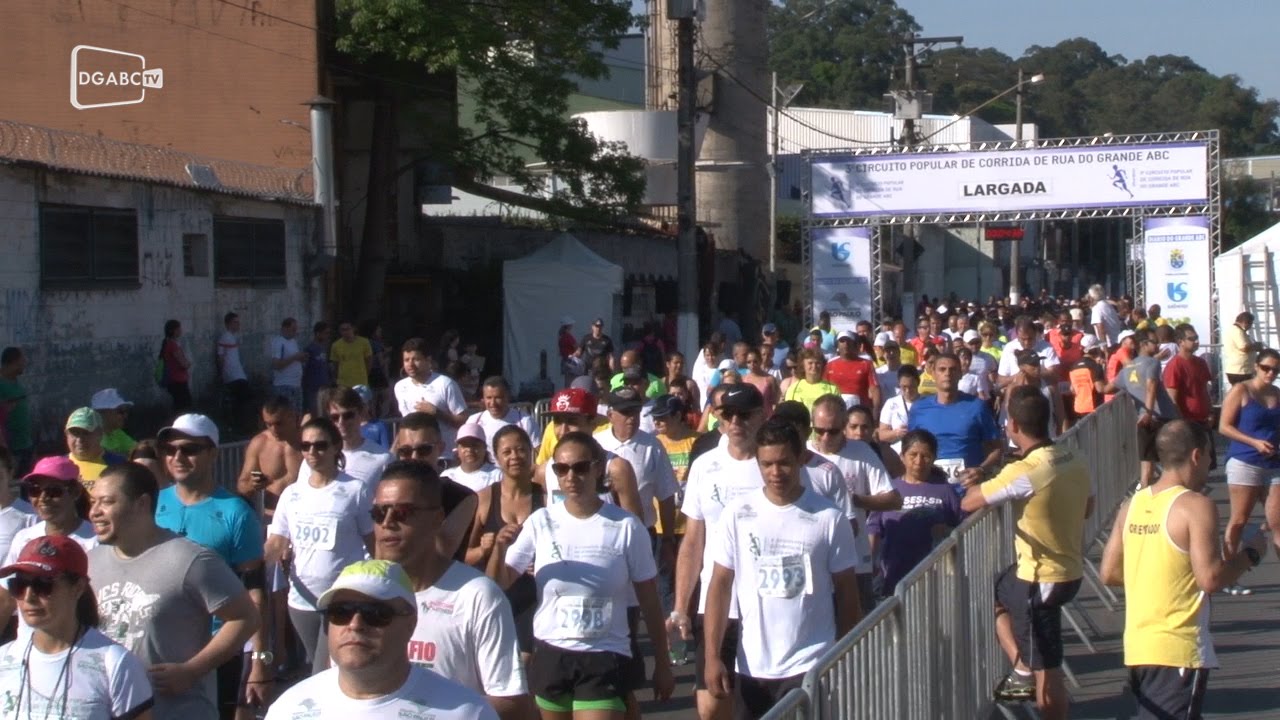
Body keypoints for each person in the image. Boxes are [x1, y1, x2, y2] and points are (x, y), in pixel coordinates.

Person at [492, 432, 675, 719]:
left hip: (603, 654)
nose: (571, 476)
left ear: (598, 468)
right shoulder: (541, 522)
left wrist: (662, 664)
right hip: (552, 652)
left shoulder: (626, 526)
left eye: (580, 467)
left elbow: (650, 601)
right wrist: (498, 548)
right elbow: (501, 582)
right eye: (561, 469)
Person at [1100, 420, 1272, 719]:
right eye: (1209, 455)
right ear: (1196, 455)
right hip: (1178, 646)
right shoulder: (1195, 505)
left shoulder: (1132, 504)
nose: (1210, 463)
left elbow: (1109, 572)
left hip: (1140, 645)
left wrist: (1157, 576)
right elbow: (1210, 578)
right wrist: (1252, 553)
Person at [701, 421, 861, 719]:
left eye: (784, 463)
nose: (776, 473)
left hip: (810, 663)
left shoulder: (829, 518)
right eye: (767, 464)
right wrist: (711, 656)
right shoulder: (737, 513)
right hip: (753, 666)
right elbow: (720, 585)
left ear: (801, 458)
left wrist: (842, 656)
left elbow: (848, 594)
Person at [89, 462, 263, 719]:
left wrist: (192, 670)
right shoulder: (91, 562)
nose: (94, 512)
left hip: (178, 711)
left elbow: (246, 617)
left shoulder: (190, 559)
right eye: (92, 502)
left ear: (141, 504)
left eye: (106, 502)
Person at [961, 387, 1092, 719]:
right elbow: (1088, 507)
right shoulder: (1072, 455)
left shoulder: (1025, 472)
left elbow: (969, 502)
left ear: (1013, 424)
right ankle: (1020, 665)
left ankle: (1026, 673)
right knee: (997, 589)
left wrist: (988, 477)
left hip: (1041, 579)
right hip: (1068, 569)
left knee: (1047, 670)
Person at [373, 460, 533, 720]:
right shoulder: (361, 593)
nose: (388, 522)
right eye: (379, 513)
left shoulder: (478, 595)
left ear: (437, 518)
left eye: (402, 512)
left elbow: (513, 704)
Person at [266, 559, 499, 720]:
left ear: (410, 624)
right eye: (341, 612)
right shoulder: (289, 709)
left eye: (375, 613)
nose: (355, 624)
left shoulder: (467, 712)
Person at [153, 414, 269, 719]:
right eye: (170, 449)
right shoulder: (151, 504)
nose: (177, 456)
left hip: (217, 648)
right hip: (162, 640)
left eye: (189, 448)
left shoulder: (236, 513)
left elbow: (254, 590)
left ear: (212, 453)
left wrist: (258, 660)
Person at [0, 535, 154, 720]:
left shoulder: (114, 663)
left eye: (43, 585)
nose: (28, 597)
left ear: (78, 588)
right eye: (19, 585)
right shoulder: (4, 659)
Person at [266, 417, 375, 676]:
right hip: (301, 600)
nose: (312, 452)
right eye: (305, 446)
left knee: (322, 671)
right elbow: (276, 543)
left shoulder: (354, 490)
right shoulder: (292, 494)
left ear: (336, 447)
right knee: (317, 670)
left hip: (341, 598)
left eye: (320, 445)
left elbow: (374, 544)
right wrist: (245, 567)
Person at [808, 395, 901, 612]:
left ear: (843, 426)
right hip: (815, 560)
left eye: (832, 431)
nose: (824, 437)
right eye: (818, 430)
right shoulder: (803, 453)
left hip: (855, 559)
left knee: (859, 630)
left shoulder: (861, 452)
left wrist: (854, 500)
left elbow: (893, 499)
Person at [0, 457, 97, 633]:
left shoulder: (95, 540)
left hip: (77, 646)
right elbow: (5, 599)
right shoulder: (23, 537)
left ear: (75, 492)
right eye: (35, 491)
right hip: (27, 649)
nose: (43, 498)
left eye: (54, 492)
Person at [866, 430, 961, 597]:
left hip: (935, 576)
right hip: (894, 575)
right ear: (902, 456)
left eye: (925, 456)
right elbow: (873, 530)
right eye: (913, 455)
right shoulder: (889, 490)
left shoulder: (946, 491)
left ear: (934, 457)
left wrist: (946, 531)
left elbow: (961, 527)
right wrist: (869, 564)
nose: (919, 461)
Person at [1218, 348, 1280, 594]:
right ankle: (1228, 575)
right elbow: (1224, 426)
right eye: (1266, 368)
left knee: (1277, 521)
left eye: (1275, 370)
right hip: (1245, 460)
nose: (1270, 373)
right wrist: (1254, 442)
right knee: (1239, 520)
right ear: (1256, 366)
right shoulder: (1242, 391)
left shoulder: (1277, 394)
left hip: (1274, 463)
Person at [908, 354, 1002, 487]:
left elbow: (996, 448)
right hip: (930, 489)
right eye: (942, 369)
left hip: (967, 490)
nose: (948, 374)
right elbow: (909, 451)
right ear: (933, 373)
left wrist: (981, 470)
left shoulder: (977, 406)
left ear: (961, 374)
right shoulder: (918, 408)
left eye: (953, 370)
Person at [1106, 331, 1180, 488]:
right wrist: (1149, 411)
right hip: (1162, 415)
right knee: (1170, 458)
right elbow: (1151, 385)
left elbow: (1108, 389)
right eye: (1154, 342)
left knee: (1147, 459)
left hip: (1143, 418)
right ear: (1143, 344)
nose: (1158, 345)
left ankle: (1145, 492)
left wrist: (1097, 380)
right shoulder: (1152, 363)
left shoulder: (1126, 369)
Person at [395, 338, 469, 455]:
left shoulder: (445, 384)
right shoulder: (400, 387)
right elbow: (405, 424)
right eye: (406, 360)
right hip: (414, 456)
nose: (410, 364)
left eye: (416, 359)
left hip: (444, 455)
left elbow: (464, 420)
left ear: (428, 360)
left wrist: (436, 413)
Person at [308, 388, 394, 486]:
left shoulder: (384, 458)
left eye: (348, 415)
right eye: (335, 417)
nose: (341, 422)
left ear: (361, 414)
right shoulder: (315, 456)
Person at [236, 396, 303, 522]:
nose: (274, 430)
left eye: (279, 423)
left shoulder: (310, 443)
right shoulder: (260, 443)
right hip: (270, 516)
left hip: (304, 515)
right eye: (268, 424)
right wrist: (254, 484)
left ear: (293, 417)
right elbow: (242, 485)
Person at [1163, 324, 1214, 461]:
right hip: (1187, 423)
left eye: (1196, 337)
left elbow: (1205, 389)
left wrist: (1210, 412)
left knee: (1207, 462)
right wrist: (1182, 423)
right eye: (1192, 339)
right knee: (1191, 464)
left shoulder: (1201, 363)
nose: (1196, 341)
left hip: (1203, 421)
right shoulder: (1174, 365)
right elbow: (1172, 399)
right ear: (1180, 342)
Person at [465, 376, 540, 456]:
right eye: (489, 398)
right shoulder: (474, 421)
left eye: (498, 398)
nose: (493, 403)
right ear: (483, 398)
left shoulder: (524, 421)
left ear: (507, 397)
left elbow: (540, 452)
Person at [64, 408, 126, 490]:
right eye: (75, 433)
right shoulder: (57, 466)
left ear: (100, 434)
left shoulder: (119, 465)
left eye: (86, 433)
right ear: (66, 434)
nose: (79, 439)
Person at [825, 331, 881, 412]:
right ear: (837, 345)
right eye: (842, 341)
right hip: (836, 412)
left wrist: (876, 411)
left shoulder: (866, 364)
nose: (845, 344)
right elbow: (823, 388)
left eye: (848, 341)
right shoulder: (830, 365)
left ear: (854, 344)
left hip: (860, 411)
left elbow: (875, 389)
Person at [844, 405, 905, 478]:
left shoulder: (885, 454)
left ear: (872, 429)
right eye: (853, 427)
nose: (859, 432)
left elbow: (900, 483)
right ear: (844, 429)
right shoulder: (836, 454)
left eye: (865, 427)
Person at [217, 312, 252, 435]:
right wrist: (222, 374)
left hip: (238, 374)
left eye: (238, 322)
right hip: (232, 376)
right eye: (235, 322)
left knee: (242, 401)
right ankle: (238, 427)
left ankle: (240, 426)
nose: (238, 325)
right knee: (240, 402)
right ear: (228, 323)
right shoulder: (225, 337)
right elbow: (220, 356)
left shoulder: (232, 337)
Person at [443, 424, 501, 493]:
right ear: (457, 449)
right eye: (464, 445)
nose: (469, 449)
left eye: (475, 445)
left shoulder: (498, 476)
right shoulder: (447, 476)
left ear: (484, 447)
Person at [269, 317, 308, 412]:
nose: (295, 332)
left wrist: (301, 358)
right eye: (293, 329)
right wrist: (295, 357)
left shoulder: (293, 342)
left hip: (296, 385)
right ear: (285, 329)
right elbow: (276, 364)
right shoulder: (278, 342)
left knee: (297, 415)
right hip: (284, 385)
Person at [878, 365, 920, 454]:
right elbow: (881, 435)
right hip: (898, 453)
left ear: (918, 383)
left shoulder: (926, 402)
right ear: (898, 384)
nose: (908, 391)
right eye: (904, 387)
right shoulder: (891, 403)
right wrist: (896, 433)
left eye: (911, 386)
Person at [1067, 336, 1107, 419]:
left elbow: (1072, 389)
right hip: (1094, 408)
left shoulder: (1073, 366)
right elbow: (1100, 389)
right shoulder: (1095, 366)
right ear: (1095, 350)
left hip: (1079, 408)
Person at [159, 321, 194, 413]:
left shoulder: (168, 343)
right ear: (172, 331)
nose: (180, 331)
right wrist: (189, 363)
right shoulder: (172, 345)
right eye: (178, 329)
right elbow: (183, 363)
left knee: (179, 406)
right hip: (178, 381)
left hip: (174, 380)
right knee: (184, 407)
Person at [91, 389, 137, 457]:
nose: (125, 415)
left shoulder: (117, 433)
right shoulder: (91, 437)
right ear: (102, 413)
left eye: (126, 411)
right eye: (120, 411)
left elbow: (138, 449)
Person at [329, 320, 373, 389]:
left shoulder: (364, 342)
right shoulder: (336, 345)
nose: (345, 332)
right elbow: (335, 365)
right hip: (343, 383)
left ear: (353, 329)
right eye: (342, 330)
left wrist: (364, 375)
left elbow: (369, 361)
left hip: (360, 381)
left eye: (348, 329)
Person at [302, 322, 334, 415]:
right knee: (315, 413)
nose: (327, 336)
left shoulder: (323, 348)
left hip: (324, 386)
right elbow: (304, 368)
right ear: (318, 333)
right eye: (325, 333)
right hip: (312, 388)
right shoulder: (309, 349)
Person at [1224, 312, 1263, 385]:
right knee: (1243, 393)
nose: (1250, 326)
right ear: (1245, 322)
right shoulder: (1237, 331)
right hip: (1240, 371)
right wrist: (1256, 346)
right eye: (1250, 324)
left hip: (1242, 369)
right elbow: (1244, 348)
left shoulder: (1238, 331)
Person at [741, 348, 780, 418]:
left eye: (755, 361)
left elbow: (776, 401)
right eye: (749, 362)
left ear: (760, 361)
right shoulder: (743, 380)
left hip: (766, 418)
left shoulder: (770, 379)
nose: (752, 364)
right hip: (749, 418)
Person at [1089, 285, 1124, 349]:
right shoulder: (1109, 306)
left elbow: (1100, 328)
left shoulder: (1097, 308)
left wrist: (1104, 348)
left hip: (1109, 345)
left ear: (1092, 297)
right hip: (1117, 342)